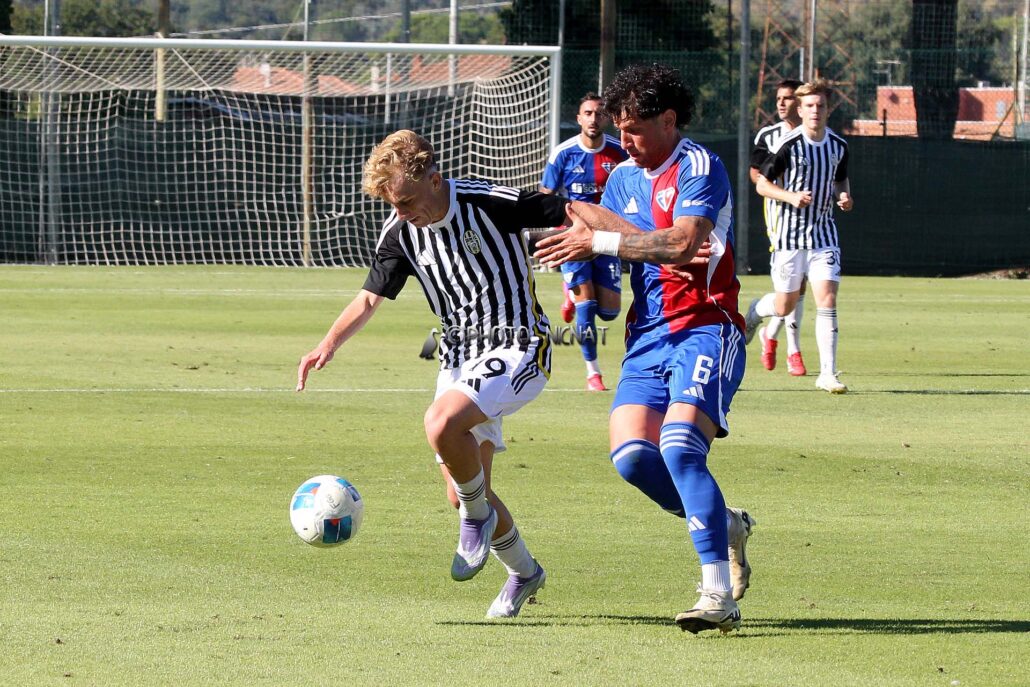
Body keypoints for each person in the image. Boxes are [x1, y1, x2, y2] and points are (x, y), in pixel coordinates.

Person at [297, 130, 569, 618]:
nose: (401, 212)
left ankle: (478, 519)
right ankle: (524, 572)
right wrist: (327, 344)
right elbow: (369, 298)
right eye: (392, 204)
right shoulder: (400, 232)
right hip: (458, 359)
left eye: (405, 201)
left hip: (519, 343)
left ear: (435, 180)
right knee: (460, 491)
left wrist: (620, 238)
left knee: (441, 424)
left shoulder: (487, 202)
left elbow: (568, 211)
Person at [535, 64, 755, 635]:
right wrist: (588, 226)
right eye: (619, 128)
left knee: (680, 448)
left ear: (668, 120)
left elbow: (681, 243)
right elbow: (630, 237)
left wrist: (607, 239)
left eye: (633, 129)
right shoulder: (623, 178)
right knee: (633, 459)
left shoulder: (698, 166)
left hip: (707, 324)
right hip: (648, 335)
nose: (623, 140)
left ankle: (717, 595)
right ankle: (726, 524)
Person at [743, 79, 854, 394]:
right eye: (809, 106)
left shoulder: (838, 146)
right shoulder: (788, 145)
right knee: (784, 305)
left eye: (820, 105)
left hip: (823, 236)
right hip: (789, 238)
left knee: (827, 299)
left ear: (828, 109)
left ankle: (827, 374)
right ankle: (755, 311)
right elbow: (762, 184)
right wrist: (790, 197)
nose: (815, 110)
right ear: (801, 110)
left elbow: (841, 180)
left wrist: (844, 197)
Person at [540, 93, 628, 391]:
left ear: (607, 118)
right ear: (579, 119)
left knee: (610, 312)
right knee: (586, 307)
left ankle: (569, 292)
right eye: (588, 113)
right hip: (574, 239)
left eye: (599, 113)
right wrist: (557, 233)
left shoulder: (620, 152)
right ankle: (593, 373)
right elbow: (546, 197)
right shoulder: (563, 154)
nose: (593, 118)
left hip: (608, 237)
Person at [750, 79, 809, 376]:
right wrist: (780, 189)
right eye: (778, 99)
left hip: (809, 218)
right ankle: (793, 351)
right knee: (789, 287)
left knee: (799, 285)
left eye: (788, 98)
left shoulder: (813, 135)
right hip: (780, 219)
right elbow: (755, 174)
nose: (782, 104)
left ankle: (770, 334)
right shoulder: (769, 135)